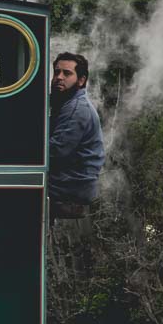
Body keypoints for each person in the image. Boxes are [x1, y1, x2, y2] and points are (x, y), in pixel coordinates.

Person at [48, 52, 105, 219]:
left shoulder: (77, 110)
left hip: (73, 184)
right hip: (69, 180)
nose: (59, 77)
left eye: (67, 73)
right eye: (56, 72)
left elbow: (54, 153)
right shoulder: (67, 103)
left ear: (81, 80)